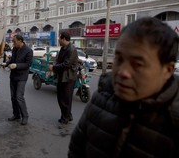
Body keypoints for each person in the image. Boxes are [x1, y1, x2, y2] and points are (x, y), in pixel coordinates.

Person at [68, 17, 179, 158]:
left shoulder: (173, 122)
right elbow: (77, 148)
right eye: (119, 59)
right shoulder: (101, 98)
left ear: (168, 70)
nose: (122, 72)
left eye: (138, 64)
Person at [48, 31, 78, 129]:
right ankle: (67, 115)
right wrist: (54, 65)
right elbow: (58, 60)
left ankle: (65, 118)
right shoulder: (63, 48)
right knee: (61, 98)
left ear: (64, 39)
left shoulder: (71, 49)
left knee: (66, 99)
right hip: (62, 76)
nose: (58, 40)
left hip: (68, 78)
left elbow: (66, 64)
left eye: (59, 38)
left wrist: (54, 68)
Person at [1, 34, 33, 125]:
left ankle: (25, 116)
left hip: (22, 77)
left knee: (19, 97)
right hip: (13, 76)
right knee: (13, 97)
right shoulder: (15, 49)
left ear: (20, 40)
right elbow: (12, 60)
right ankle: (16, 114)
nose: (13, 43)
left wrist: (17, 65)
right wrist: (6, 63)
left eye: (14, 41)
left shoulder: (28, 50)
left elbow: (28, 64)